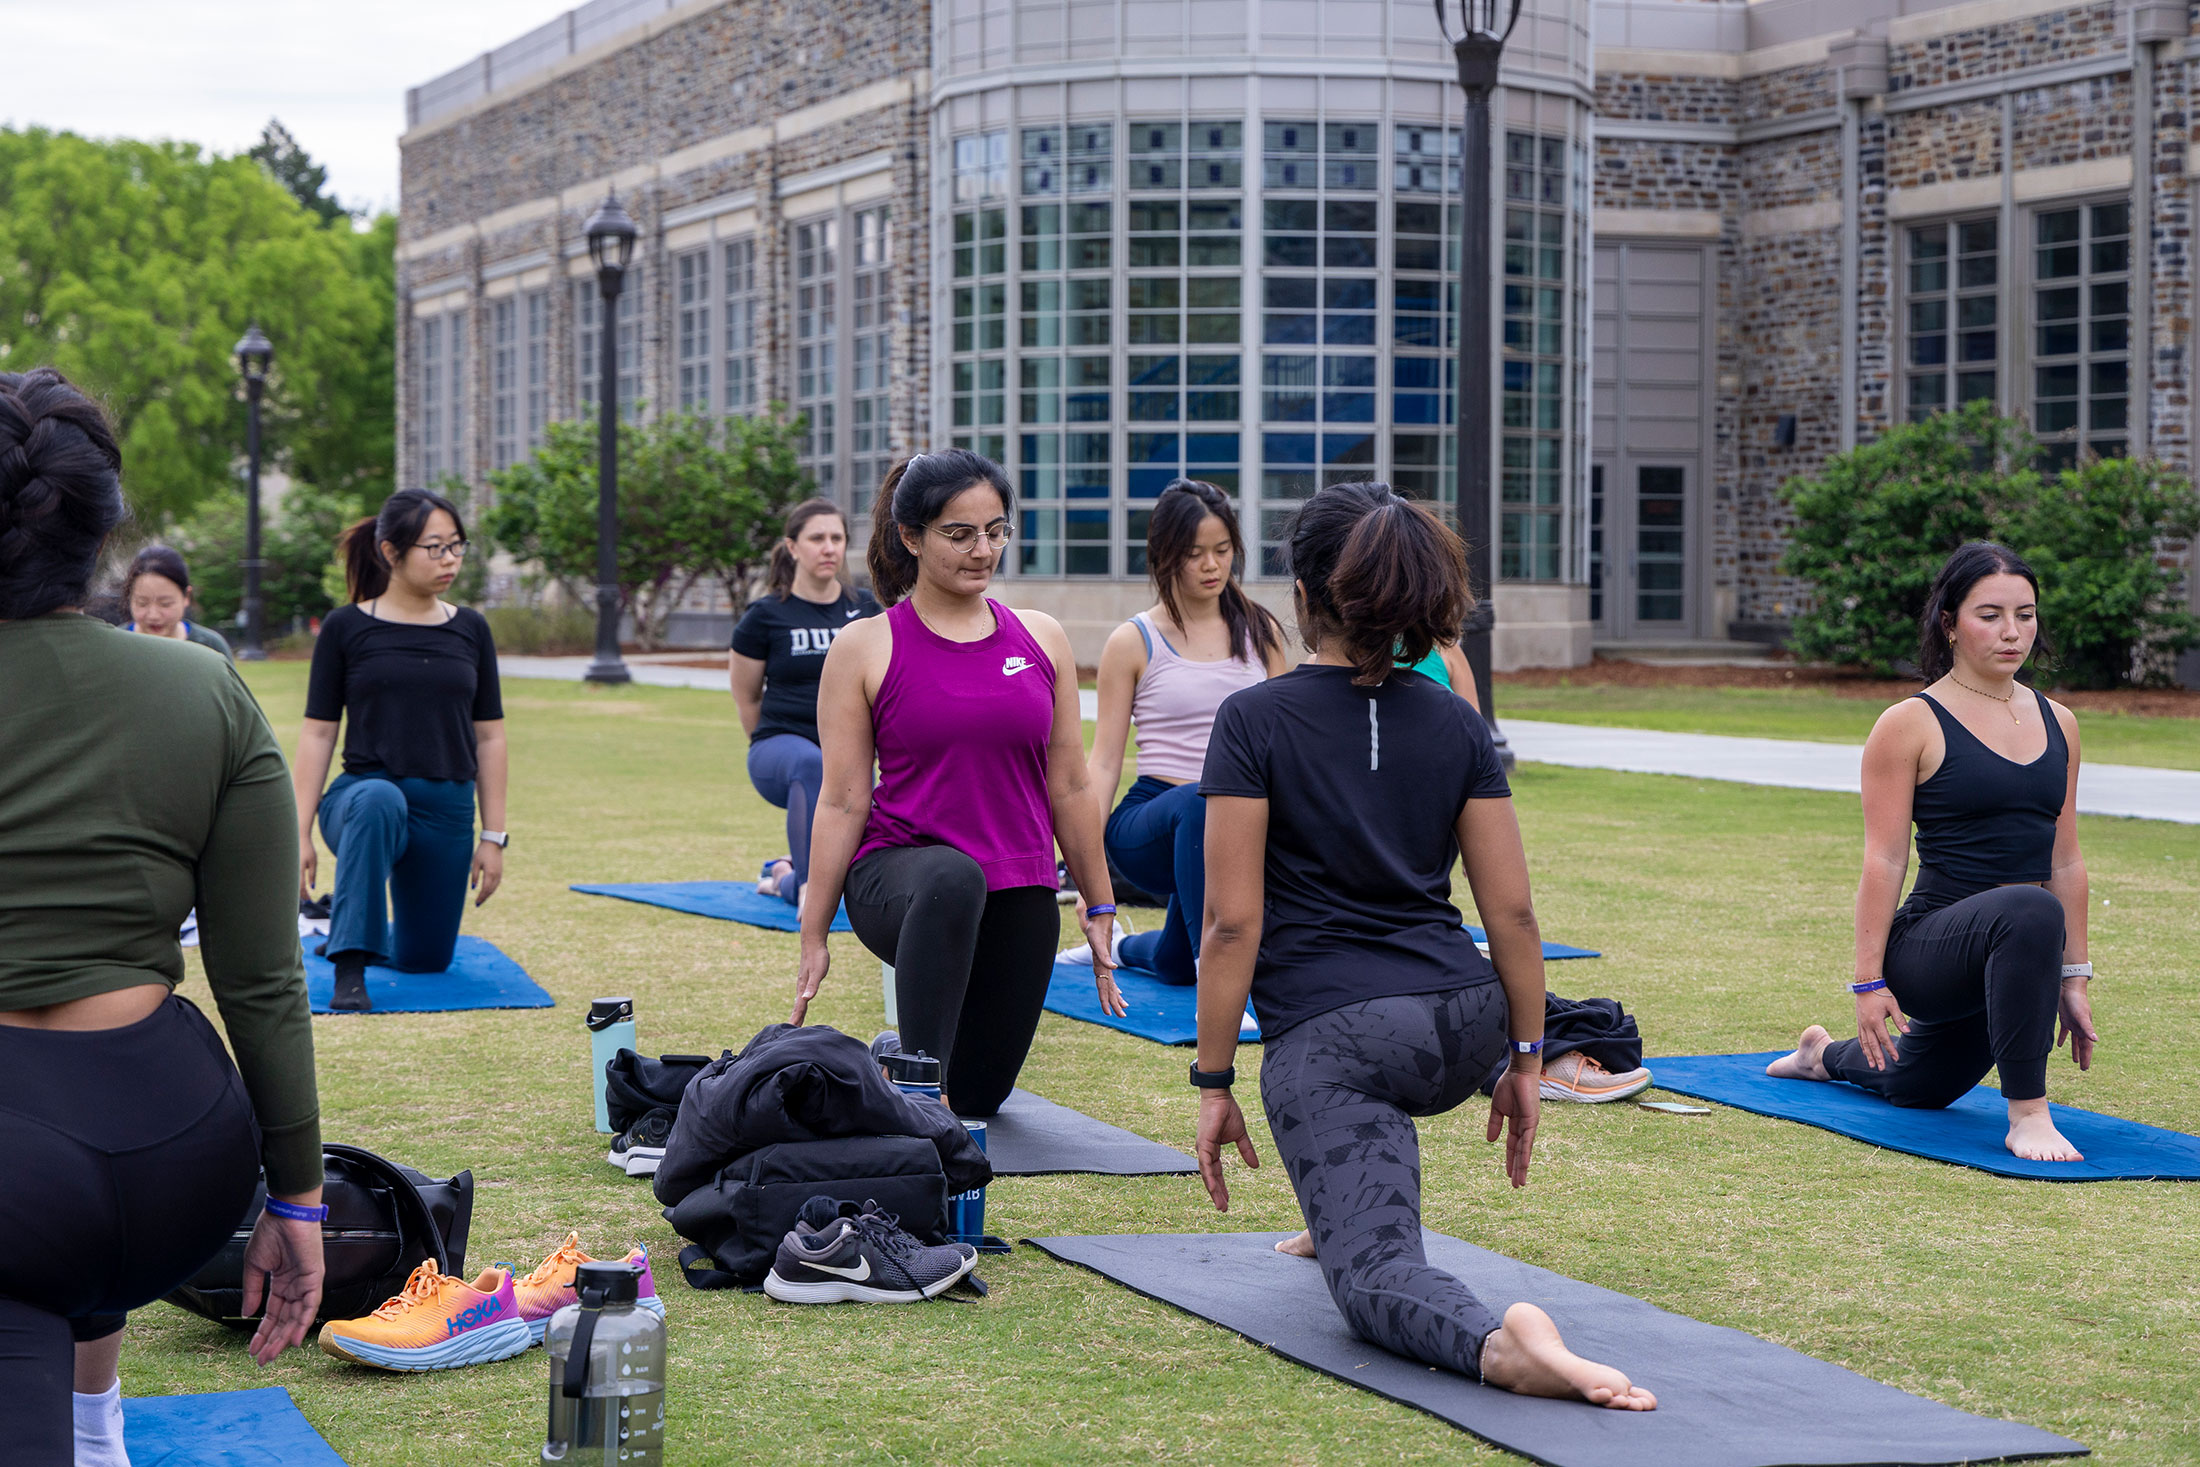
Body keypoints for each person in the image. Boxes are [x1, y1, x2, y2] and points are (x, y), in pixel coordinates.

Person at [1192, 480, 1654, 1411]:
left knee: (1373, 1278)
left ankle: (1504, 1346)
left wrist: (1212, 1084)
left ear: (1305, 590)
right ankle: (1339, 1202)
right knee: (1359, 1125)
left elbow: (1231, 924)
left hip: (1344, 1035)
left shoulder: (1255, 719)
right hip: (1464, 1021)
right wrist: (1525, 1054)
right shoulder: (1453, 718)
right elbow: (1514, 916)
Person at [0, 368, 324, 1466]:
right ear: (101, 532)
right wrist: (303, 1199)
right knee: (58, 1231)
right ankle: (97, 1426)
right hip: (176, 1164)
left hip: (17, 1171)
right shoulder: (205, 692)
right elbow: (261, 980)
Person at [793, 451, 1124, 1116]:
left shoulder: (1041, 638)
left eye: (996, 530)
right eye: (960, 533)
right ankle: (917, 1083)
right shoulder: (866, 647)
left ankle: (902, 1061)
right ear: (911, 537)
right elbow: (843, 797)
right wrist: (814, 933)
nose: (983, 550)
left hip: (1016, 884)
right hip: (900, 879)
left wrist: (1100, 906)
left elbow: (1071, 786)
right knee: (952, 878)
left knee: (978, 1096)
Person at [1768, 543, 2096, 1162]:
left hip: (2016, 953)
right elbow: (1884, 859)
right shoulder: (1911, 722)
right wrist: (1868, 981)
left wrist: (2073, 977)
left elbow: (2066, 861)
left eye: (2025, 615)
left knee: (1919, 1087)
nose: (2012, 632)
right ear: (1949, 622)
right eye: (1990, 614)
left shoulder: (2061, 723)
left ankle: (1820, 1054)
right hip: (1929, 951)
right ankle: (2029, 1115)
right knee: (2029, 908)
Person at [293, 489, 507, 1012]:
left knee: (426, 959)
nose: (450, 559)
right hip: (361, 800)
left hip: (446, 807)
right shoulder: (345, 628)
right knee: (378, 800)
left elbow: (490, 735)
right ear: (391, 552)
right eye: (435, 547)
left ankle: (354, 931)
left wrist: (493, 836)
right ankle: (349, 965)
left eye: (457, 546)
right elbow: (319, 733)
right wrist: (297, 832)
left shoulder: (471, 628)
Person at [1072, 480, 1285, 982]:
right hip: (1151, 823)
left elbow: (1283, 746)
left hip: (1235, 824)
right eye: (1195, 554)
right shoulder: (1132, 641)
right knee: (1198, 801)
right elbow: (1102, 763)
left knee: (1171, 964)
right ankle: (1218, 978)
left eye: (1222, 550)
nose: (1212, 566)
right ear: (1165, 555)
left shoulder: (1261, 631)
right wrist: (1087, 877)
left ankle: (1133, 949)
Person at [730, 498, 881, 907]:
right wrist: (775, 744)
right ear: (793, 547)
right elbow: (746, 698)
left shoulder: (866, 609)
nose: (829, 547)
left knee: (857, 868)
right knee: (810, 763)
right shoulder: (764, 616)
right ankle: (807, 887)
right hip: (779, 750)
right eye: (817, 538)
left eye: (836, 538)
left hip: (850, 756)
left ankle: (783, 874)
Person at [121, 544, 234, 660]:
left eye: (165, 604)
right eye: (142, 603)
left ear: (186, 597)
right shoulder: (116, 645)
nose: (153, 615)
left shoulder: (211, 646)